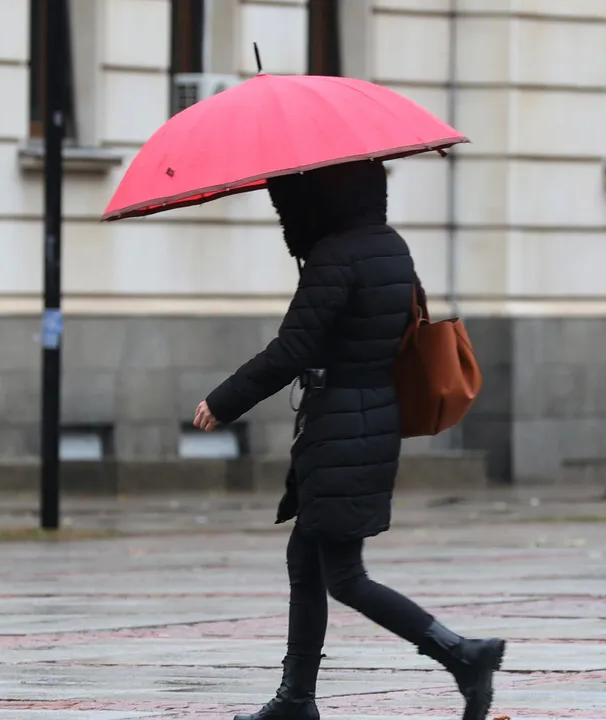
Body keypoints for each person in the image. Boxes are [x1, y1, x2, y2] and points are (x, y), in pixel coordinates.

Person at [192, 160, 505, 720]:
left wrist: (223, 400)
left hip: (340, 422)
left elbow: (291, 350)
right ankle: (296, 698)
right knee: (306, 560)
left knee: (343, 575)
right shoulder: (389, 247)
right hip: (371, 417)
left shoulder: (335, 257)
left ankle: (461, 654)